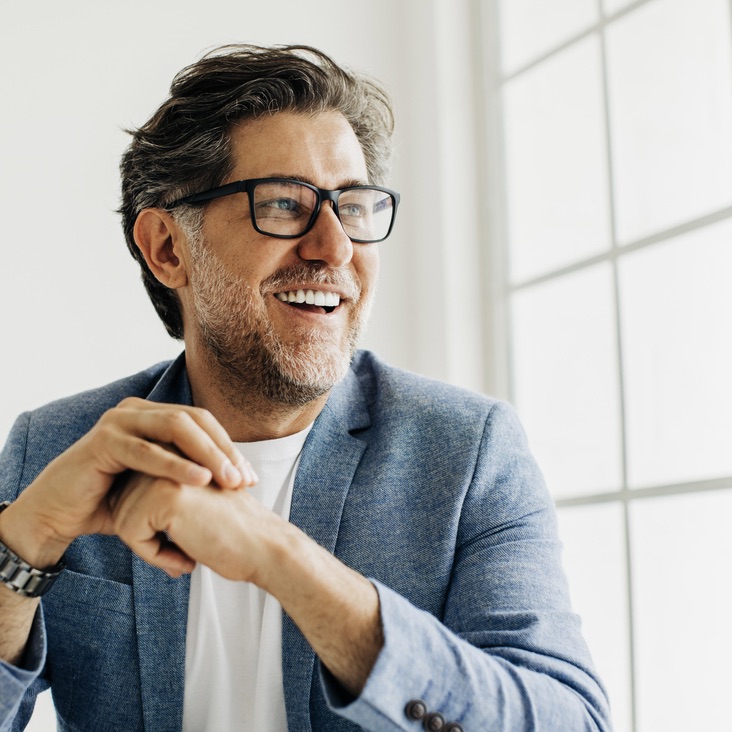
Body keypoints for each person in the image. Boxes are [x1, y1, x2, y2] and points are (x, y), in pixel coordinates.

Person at [0, 44, 611, 731]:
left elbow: (570, 722)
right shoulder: (54, 450)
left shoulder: (468, 452)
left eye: (353, 206)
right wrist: (19, 549)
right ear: (168, 247)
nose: (336, 247)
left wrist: (281, 558)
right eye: (286, 204)